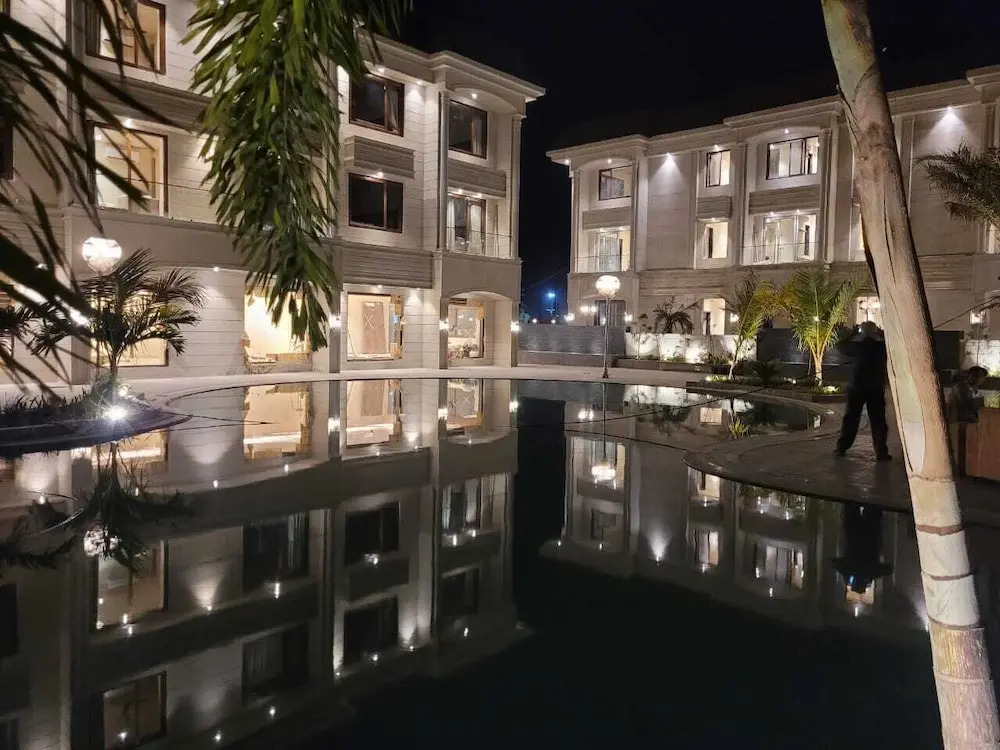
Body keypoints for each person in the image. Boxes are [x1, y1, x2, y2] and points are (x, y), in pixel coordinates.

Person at [835, 320, 890, 460]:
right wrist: (882, 334)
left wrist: (852, 334)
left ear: (862, 333)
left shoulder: (857, 347)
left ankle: (842, 447)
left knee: (851, 418)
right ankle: (881, 451)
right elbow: (894, 345)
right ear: (875, 332)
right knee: (878, 420)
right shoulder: (882, 347)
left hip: (857, 387)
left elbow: (840, 346)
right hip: (875, 388)